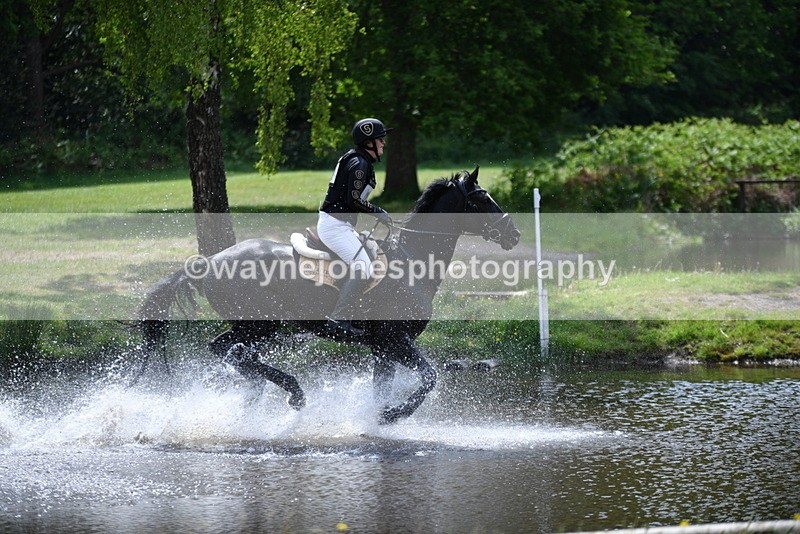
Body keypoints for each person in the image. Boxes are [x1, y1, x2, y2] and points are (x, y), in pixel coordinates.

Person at [317, 117, 393, 337]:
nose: (383, 144)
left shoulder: (359, 160)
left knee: (372, 253)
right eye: (380, 140)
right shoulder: (359, 164)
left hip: (341, 224)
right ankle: (338, 319)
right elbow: (353, 200)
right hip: (335, 227)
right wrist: (378, 211)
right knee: (363, 267)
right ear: (368, 142)